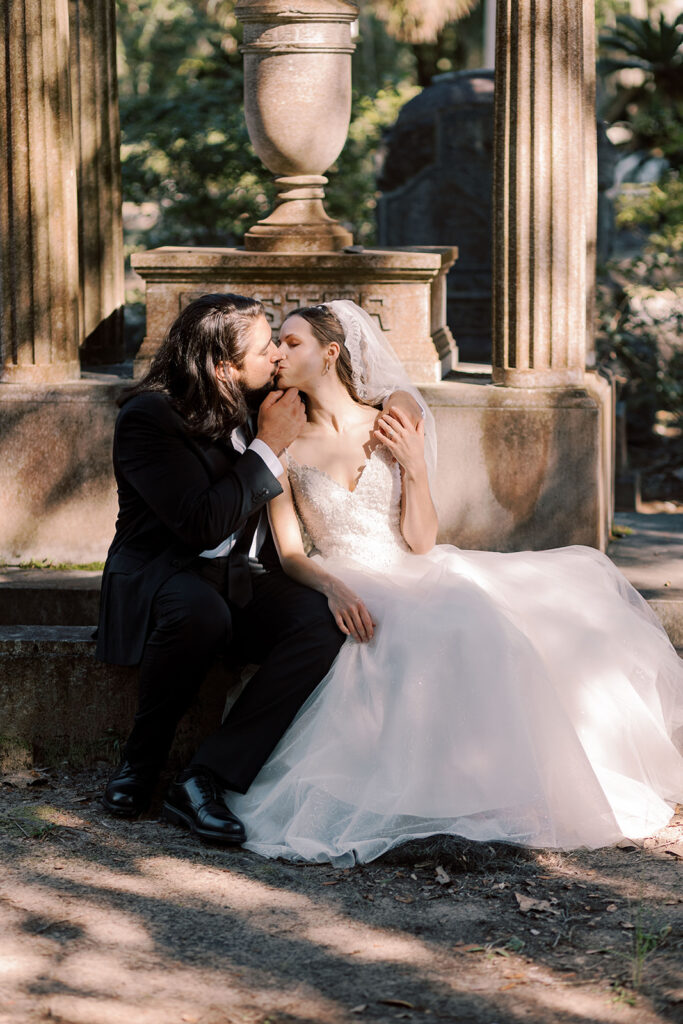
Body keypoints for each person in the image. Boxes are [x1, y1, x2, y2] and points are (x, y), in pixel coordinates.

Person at [222, 299, 683, 866]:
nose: (278, 353)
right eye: (277, 344)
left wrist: (415, 467)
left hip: (408, 565)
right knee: (385, 638)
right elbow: (291, 553)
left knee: (470, 619)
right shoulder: (283, 441)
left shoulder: (389, 420)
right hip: (340, 574)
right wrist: (332, 587)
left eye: (292, 343)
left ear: (331, 353)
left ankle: (484, 789)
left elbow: (420, 541)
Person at [96, 293, 420, 844]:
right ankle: (140, 763)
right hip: (165, 575)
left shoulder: (258, 396)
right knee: (202, 614)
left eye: (278, 342)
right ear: (225, 368)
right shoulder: (149, 419)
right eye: (265, 347)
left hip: (242, 579)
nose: (276, 355)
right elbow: (200, 524)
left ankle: (205, 776)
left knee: (320, 621)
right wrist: (268, 444)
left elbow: (344, 385)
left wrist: (400, 400)